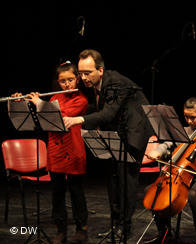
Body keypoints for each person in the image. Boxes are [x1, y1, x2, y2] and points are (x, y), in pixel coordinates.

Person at [63, 49, 153, 241]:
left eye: (88, 73)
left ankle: (125, 228)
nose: (83, 78)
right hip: (119, 131)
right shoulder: (97, 84)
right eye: (81, 73)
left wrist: (79, 119)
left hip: (135, 132)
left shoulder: (115, 82)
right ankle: (116, 225)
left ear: (101, 70)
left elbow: (108, 113)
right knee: (113, 178)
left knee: (126, 180)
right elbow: (97, 109)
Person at [12, 61, 89, 244]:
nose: (67, 84)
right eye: (63, 81)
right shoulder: (55, 98)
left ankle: (82, 228)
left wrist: (41, 103)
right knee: (57, 192)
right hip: (55, 149)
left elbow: (62, 117)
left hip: (73, 150)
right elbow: (41, 117)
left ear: (77, 79)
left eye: (71, 80)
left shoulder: (81, 100)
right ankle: (60, 229)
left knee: (76, 191)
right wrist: (23, 103)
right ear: (58, 82)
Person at [145, 97, 196, 244]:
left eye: (193, 117)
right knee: (153, 191)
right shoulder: (183, 131)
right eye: (186, 117)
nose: (188, 121)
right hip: (180, 175)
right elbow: (167, 144)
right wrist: (158, 151)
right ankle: (165, 232)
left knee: (194, 194)